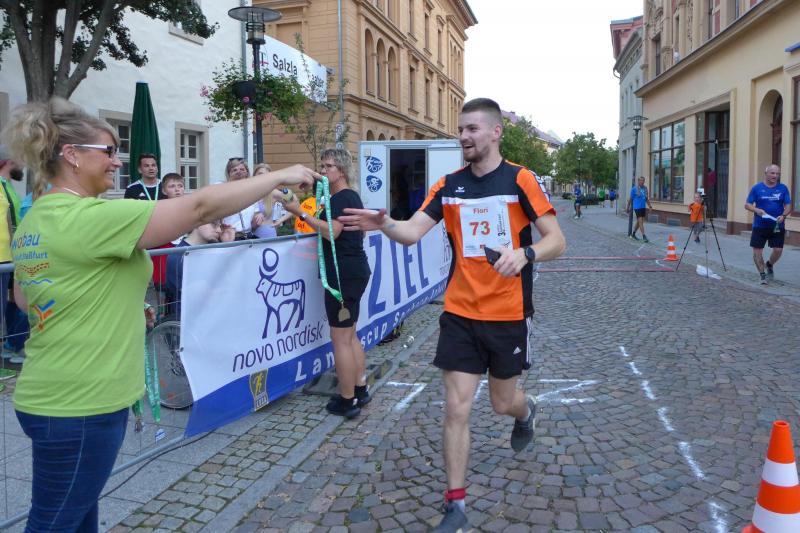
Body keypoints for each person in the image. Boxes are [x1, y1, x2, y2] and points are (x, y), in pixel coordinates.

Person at [2, 97, 318, 532]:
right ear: (72, 155)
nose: (118, 162)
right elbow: (200, 208)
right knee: (55, 522)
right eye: (109, 151)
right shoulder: (90, 217)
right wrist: (278, 176)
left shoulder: (38, 216)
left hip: (49, 392)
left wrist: (119, 303)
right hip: (82, 403)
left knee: (77, 517)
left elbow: (26, 297)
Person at [340, 98, 565, 532]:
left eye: (472, 129)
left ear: (496, 132)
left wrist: (525, 254)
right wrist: (384, 223)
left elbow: (556, 239)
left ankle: (525, 412)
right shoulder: (448, 186)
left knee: (502, 402)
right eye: (461, 129)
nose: (464, 136)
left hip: (508, 313)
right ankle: (456, 504)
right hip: (460, 311)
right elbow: (411, 232)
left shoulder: (520, 179)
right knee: (456, 407)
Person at [283, 148, 372, 419]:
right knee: (350, 335)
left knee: (341, 340)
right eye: (321, 166)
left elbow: (332, 231)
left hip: (342, 274)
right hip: (353, 271)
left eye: (328, 166)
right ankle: (360, 389)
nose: (323, 171)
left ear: (341, 170)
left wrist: (300, 212)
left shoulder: (341, 197)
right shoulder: (348, 196)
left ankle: (347, 400)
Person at [165, 220, 235, 317]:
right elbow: (199, 294)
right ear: (198, 222)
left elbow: (229, 281)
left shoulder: (215, 249)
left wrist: (227, 245)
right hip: (191, 318)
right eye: (213, 224)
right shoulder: (177, 257)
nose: (219, 230)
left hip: (215, 314)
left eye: (220, 226)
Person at [745, 164, 791, 285]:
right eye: (772, 173)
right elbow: (747, 204)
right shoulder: (757, 188)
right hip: (760, 225)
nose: (775, 176)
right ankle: (762, 275)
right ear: (766, 173)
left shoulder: (783, 188)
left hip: (777, 225)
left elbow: (788, 206)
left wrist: (784, 215)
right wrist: (757, 210)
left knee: (778, 250)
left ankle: (769, 264)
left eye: (777, 174)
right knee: (757, 252)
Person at [220, 158, 265, 239]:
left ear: (247, 172)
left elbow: (253, 222)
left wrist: (259, 216)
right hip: (229, 237)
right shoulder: (222, 189)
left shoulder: (252, 193)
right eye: (234, 170)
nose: (238, 172)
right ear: (229, 173)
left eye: (242, 169)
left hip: (248, 235)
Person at [252, 163, 292, 240]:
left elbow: (294, 204)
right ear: (254, 175)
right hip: (250, 237)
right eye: (260, 174)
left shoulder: (272, 192)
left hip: (267, 234)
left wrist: (280, 220)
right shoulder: (249, 193)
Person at [626, 176, 653, 242]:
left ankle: (633, 234)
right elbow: (630, 199)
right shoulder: (634, 189)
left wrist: (650, 206)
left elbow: (646, 199)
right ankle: (644, 236)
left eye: (643, 180)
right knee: (640, 221)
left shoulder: (645, 188)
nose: (642, 182)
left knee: (639, 222)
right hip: (637, 207)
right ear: (638, 181)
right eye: (641, 180)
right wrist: (627, 208)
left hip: (643, 207)